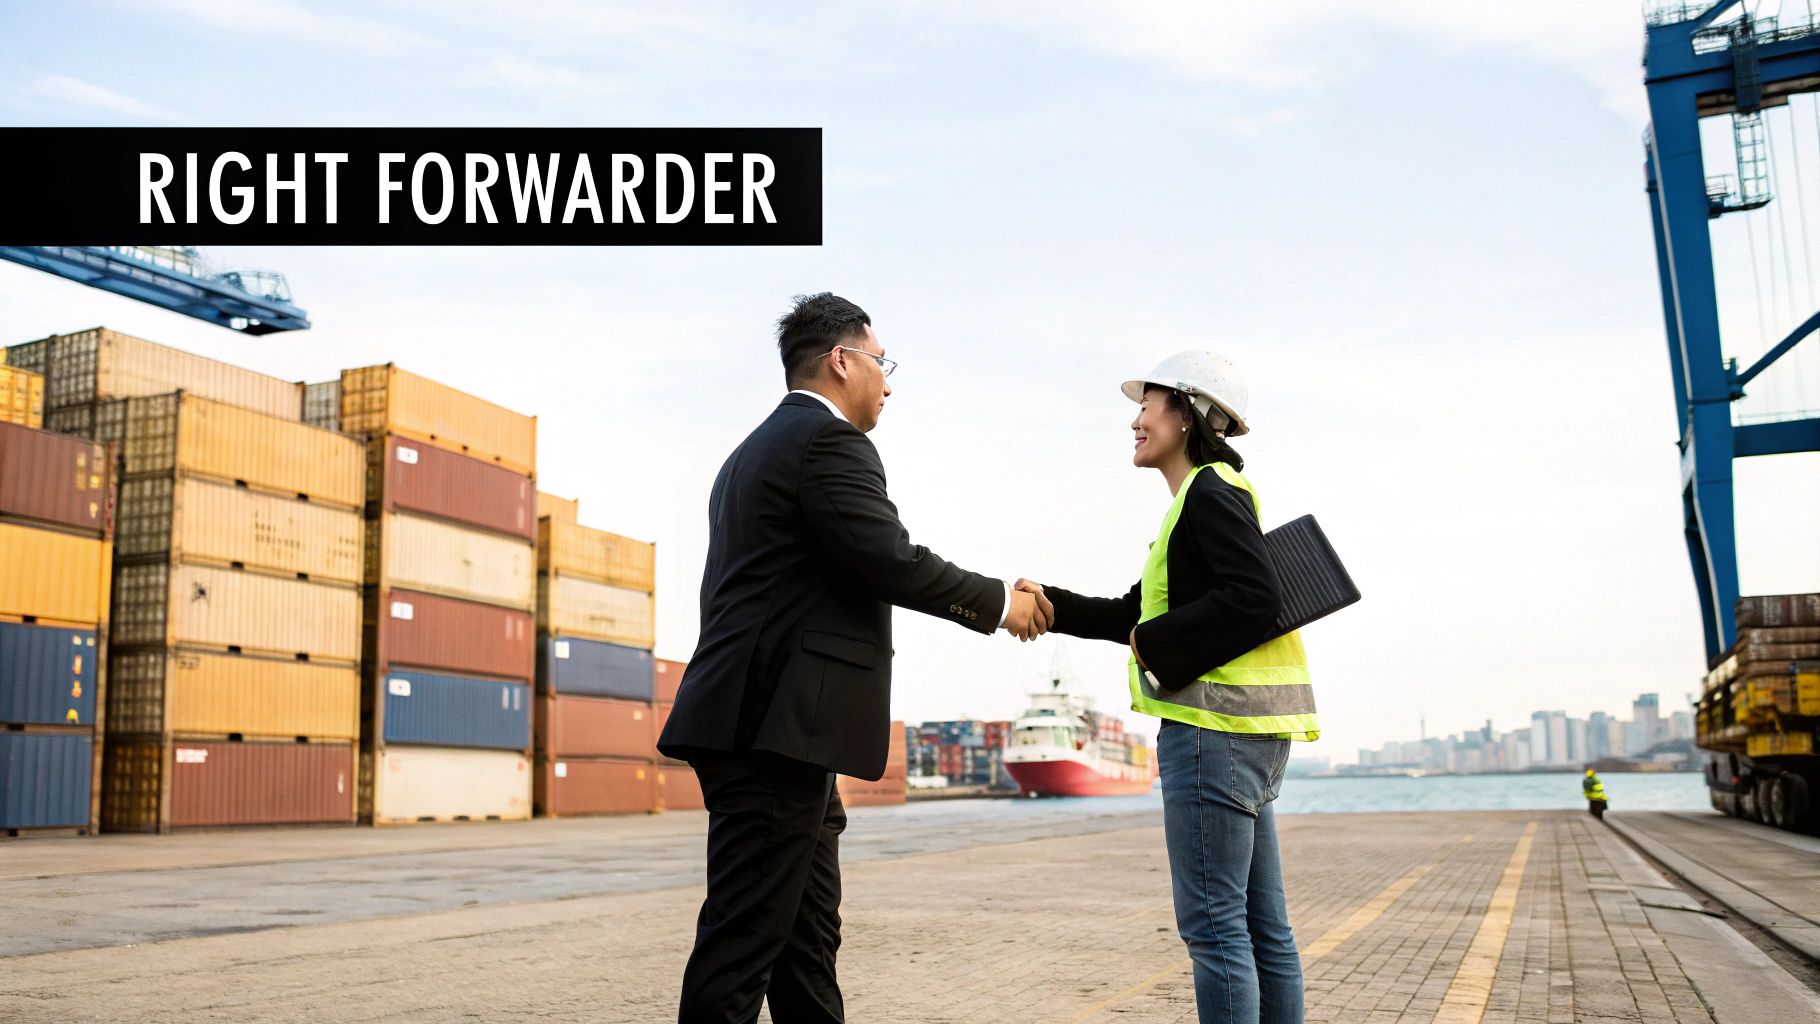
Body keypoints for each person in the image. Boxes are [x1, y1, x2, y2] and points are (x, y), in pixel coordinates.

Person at [656, 292, 1054, 1024]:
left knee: (806, 948)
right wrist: (1001, 604)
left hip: (778, 732)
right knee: (742, 945)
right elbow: (891, 560)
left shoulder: (749, 455)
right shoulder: (827, 443)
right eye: (881, 362)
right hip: (772, 734)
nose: (889, 382)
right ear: (841, 361)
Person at [1023, 351, 1316, 1024]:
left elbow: (1253, 597)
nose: (1135, 419)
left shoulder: (1210, 493)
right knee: (1262, 927)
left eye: (1146, 405)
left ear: (1185, 414)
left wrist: (1152, 645)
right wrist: (1053, 604)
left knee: (1216, 931)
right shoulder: (1198, 500)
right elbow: (1137, 611)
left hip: (1213, 737)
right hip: (1244, 738)